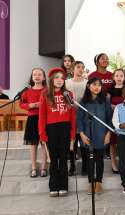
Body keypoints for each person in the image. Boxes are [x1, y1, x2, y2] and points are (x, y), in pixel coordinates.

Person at [38, 68, 76, 197]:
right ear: (51, 80)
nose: (60, 80)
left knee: (64, 159)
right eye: (57, 78)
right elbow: (42, 116)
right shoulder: (45, 94)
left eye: (62, 78)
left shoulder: (68, 94)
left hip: (65, 128)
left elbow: (72, 116)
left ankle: (63, 186)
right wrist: (42, 133)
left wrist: (72, 134)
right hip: (51, 129)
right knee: (54, 160)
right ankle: (53, 186)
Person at [77, 77, 112, 194]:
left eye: (99, 85)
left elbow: (109, 119)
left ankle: (99, 183)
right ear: (88, 86)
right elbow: (79, 120)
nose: (97, 87)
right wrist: (81, 134)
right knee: (89, 160)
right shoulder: (83, 102)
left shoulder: (105, 101)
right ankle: (91, 183)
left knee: (99, 160)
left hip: (101, 134)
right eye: (94, 84)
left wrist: (108, 134)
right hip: (87, 135)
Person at [20, 68, 47, 178]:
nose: (37, 76)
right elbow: (21, 103)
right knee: (33, 144)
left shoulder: (47, 90)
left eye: (39, 74)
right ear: (32, 77)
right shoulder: (27, 91)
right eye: (34, 74)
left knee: (44, 143)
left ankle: (44, 167)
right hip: (32, 119)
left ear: (44, 77)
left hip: (44, 119)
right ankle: (34, 168)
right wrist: (30, 106)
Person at [65, 61, 87, 176]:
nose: (80, 69)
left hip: (83, 117)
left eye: (82, 67)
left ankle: (85, 166)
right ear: (73, 69)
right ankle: (72, 166)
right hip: (70, 116)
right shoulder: (67, 83)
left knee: (83, 142)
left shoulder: (87, 83)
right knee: (72, 142)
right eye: (78, 67)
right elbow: (64, 96)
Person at [108, 69, 125, 174]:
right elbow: (108, 103)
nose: (119, 78)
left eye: (121, 75)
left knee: (124, 142)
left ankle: (124, 164)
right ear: (114, 77)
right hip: (113, 118)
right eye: (117, 76)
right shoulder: (110, 89)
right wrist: (112, 106)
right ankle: (114, 165)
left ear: (124, 77)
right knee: (113, 143)